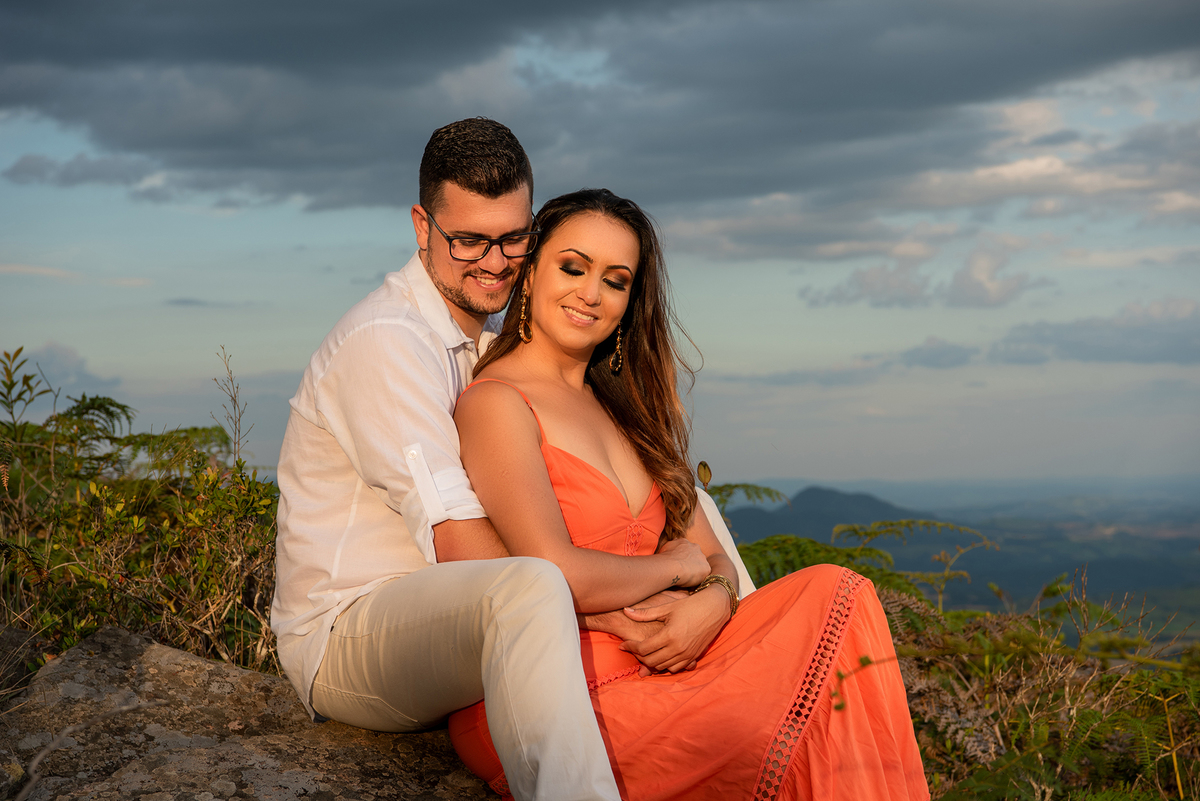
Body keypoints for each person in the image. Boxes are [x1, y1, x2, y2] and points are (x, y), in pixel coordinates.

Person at [270, 118, 751, 801]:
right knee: (532, 584)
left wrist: (710, 590)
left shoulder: (496, 331)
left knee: (685, 497)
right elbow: (459, 542)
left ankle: (742, 674)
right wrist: (622, 603)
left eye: (513, 238)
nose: (495, 262)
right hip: (351, 632)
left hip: (458, 621)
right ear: (422, 227)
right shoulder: (388, 344)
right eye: (469, 240)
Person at [447, 188, 931, 800]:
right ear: (532, 270)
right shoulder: (497, 403)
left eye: (615, 281)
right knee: (783, 724)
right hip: (563, 693)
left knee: (839, 591)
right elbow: (554, 573)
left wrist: (715, 602)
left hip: (668, 666)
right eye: (573, 268)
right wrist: (675, 568)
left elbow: (714, 557)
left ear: (629, 302)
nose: (591, 294)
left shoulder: (625, 410)